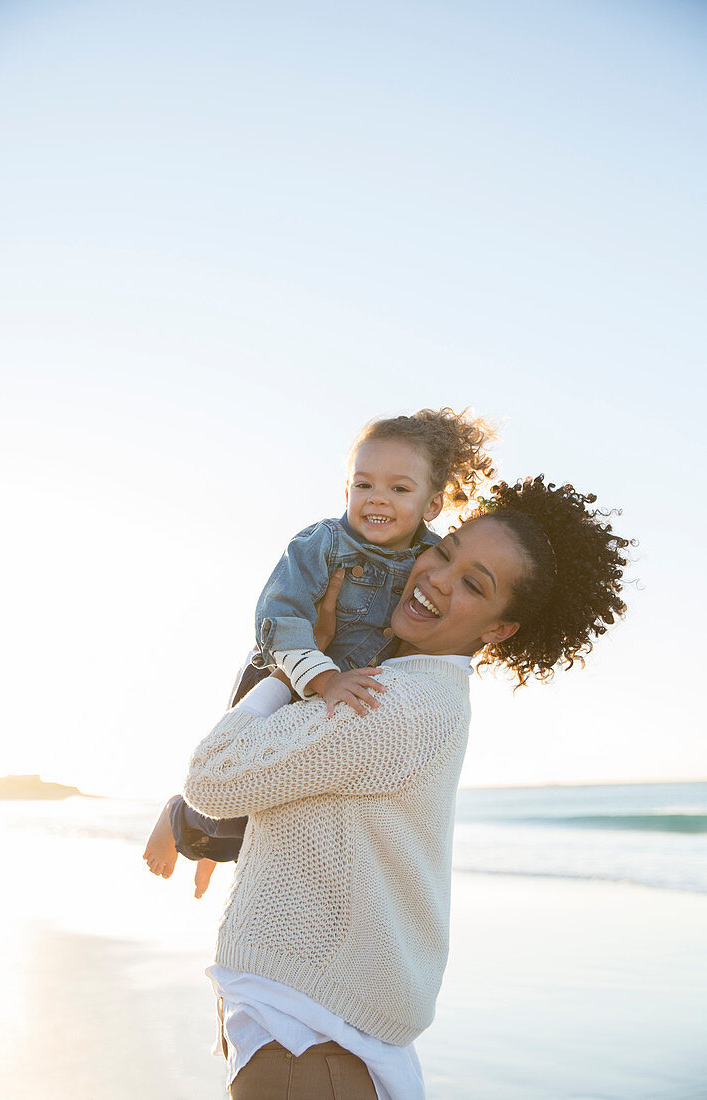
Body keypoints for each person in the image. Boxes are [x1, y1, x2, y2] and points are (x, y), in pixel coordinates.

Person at [180, 476, 631, 1099]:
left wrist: (290, 669)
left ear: (499, 630)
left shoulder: (393, 704)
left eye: (475, 584)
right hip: (311, 1032)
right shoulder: (403, 683)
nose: (440, 577)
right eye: (445, 552)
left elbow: (213, 779)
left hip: (308, 1039)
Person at [143, 407, 495, 886]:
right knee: (234, 792)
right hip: (289, 672)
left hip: (345, 684)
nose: (378, 500)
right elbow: (278, 618)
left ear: (432, 505)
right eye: (364, 484)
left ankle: (210, 848)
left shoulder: (430, 557)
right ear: (347, 490)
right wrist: (322, 676)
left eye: (400, 489)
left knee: (278, 799)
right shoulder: (322, 543)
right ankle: (179, 815)